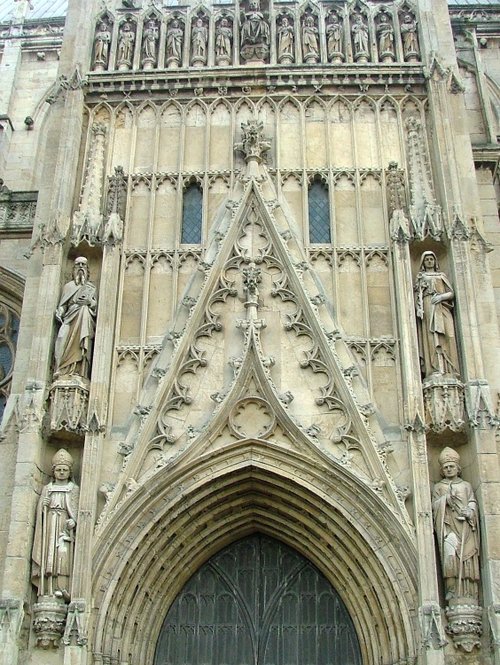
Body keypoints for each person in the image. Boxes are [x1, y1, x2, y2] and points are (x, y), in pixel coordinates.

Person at [432, 447, 480, 603]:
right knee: (450, 557)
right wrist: (445, 500)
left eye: (451, 466)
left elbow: (472, 501)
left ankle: (468, 593)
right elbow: (434, 507)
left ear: (458, 468)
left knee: (467, 559)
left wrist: (470, 511)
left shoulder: (466, 486)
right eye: (445, 467)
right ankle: (452, 590)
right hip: (449, 529)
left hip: (465, 529)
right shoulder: (439, 487)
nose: (448, 469)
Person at [32, 449, 79, 601]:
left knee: (63, 558)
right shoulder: (48, 488)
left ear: (69, 471)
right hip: (50, 524)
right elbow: (40, 511)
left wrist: (74, 520)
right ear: (53, 471)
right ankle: (47, 589)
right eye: (58, 470)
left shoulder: (74, 489)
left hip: (64, 526)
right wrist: (43, 507)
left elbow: (77, 508)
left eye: (65, 470)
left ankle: (62, 588)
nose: (61, 472)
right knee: (49, 557)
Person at [414, 251, 459, 378]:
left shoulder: (441, 275)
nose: (429, 261)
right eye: (427, 259)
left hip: (442, 307)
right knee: (431, 337)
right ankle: (435, 367)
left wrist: (441, 297)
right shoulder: (421, 277)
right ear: (423, 262)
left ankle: (450, 369)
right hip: (429, 306)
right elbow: (417, 297)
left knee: (449, 335)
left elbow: (451, 293)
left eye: (431, 259)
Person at [54, 257, 97, 380]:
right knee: (61, 338)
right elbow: (63, 305)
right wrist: (60, 312)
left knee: (82, 343)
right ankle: (62, 370)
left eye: (83, 265)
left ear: (87, 270)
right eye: (78, 265)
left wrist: (89, 302)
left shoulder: (90, 287)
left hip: (84, 318)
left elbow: (94, 305)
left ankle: (78, 371)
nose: (80, 268)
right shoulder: (68, 287)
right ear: (73, 269)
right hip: (69, 317)